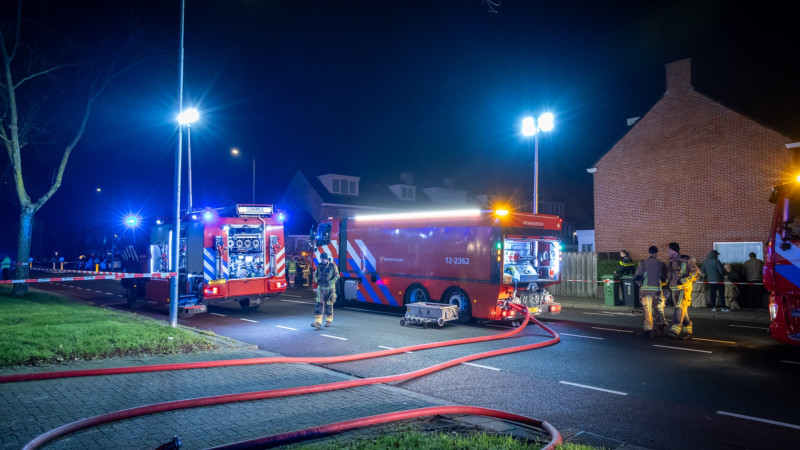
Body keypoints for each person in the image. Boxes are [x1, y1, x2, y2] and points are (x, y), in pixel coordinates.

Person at [665, 242, 700, 340]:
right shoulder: (670, 261)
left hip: (684, 288)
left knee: (679, 308)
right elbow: (669, 276)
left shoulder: (686, 260)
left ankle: (675, 330)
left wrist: (684, 280)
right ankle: (687, 331)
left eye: (669, 249)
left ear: (673, 250)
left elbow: (696, 272)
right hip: (674, 289)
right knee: (682, 310)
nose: (668, 251)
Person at [634, 246, 667, 337]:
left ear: (649, 252)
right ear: (657, 253)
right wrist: (660, 284)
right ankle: (660, 327)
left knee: (647, 310)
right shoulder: (661, 264)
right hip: (657, 291)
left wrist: (641, 286)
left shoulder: (642, 263)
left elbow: (637, 277)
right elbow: (664, 279)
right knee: (659, 309)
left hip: (646, 291)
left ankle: (648, 330)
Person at [311, 252, 339, 329]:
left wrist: (331, 282)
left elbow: (337, 276)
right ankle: (317, 322)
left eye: (323, 259)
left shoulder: (332, 266)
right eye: (321, 259)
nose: (322, 260)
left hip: (330, 289)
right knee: (319, 304)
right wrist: (316, 280)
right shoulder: (319, 266)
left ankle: (328, 321)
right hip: (321, 288)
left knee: (329, 305)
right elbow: (315, 274)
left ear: (326, 259)